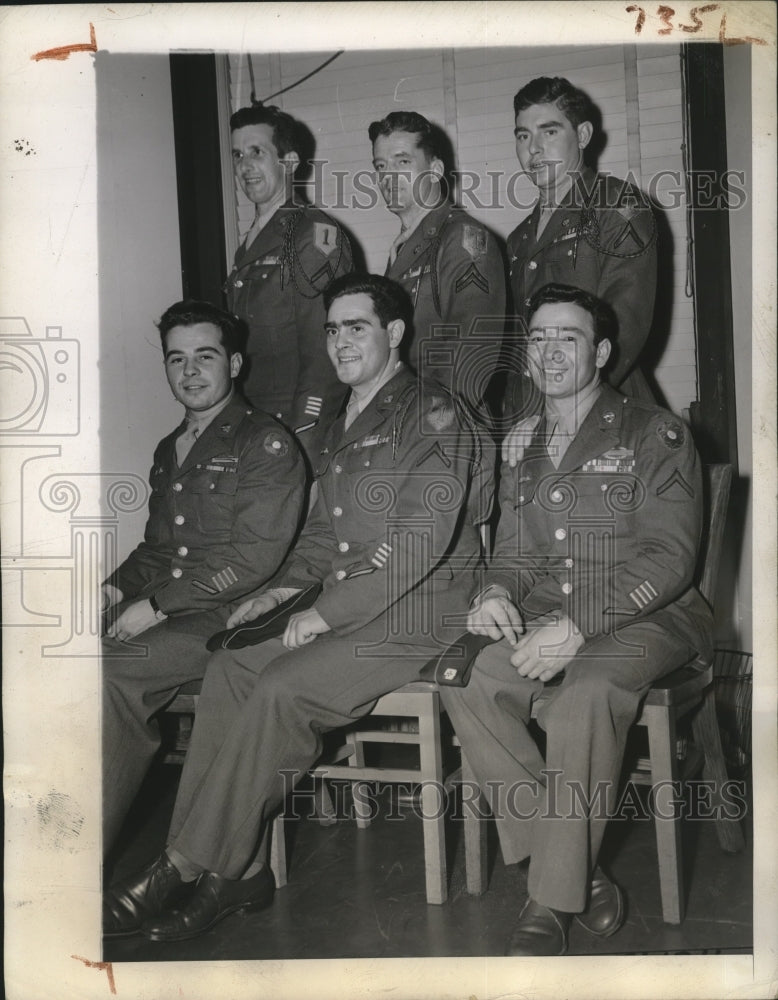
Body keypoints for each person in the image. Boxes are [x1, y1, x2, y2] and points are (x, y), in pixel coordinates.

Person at [102, 273, 493, 941]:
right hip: (362, 602)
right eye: (333, 329)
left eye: (357, 327)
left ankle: (184, 865)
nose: (341, 341)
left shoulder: (432, 412)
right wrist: (279, 591)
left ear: (395, 333)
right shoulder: (346, 420)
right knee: (232, 665)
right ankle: (239, 870)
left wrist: (326, 613)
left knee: (284, 687)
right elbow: (320, 536)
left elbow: (417, 542)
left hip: (424, 608)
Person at [440, 283, 712, 956]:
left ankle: (551, 899)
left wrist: (578, 626)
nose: (551, 351)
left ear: (603, 352)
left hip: (648, 613)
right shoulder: (524, 443)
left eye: (569, 337)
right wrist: (496, 592)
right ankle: (575, 867)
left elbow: (670, 558)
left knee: (585, 694)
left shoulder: (655, 432)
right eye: (538, 338)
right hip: (553, 610)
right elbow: (515, 554)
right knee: (464, 676)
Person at [101, 299, 306, 853]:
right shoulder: (171, 448)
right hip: (171, 605)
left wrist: (155, 607)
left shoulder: (264, 443)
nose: (190, 371)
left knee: (107, 673)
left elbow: (253, 559)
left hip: (227, 614)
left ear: (234, 364)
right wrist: (111, 589)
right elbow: (157, 548)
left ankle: (83, 854)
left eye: (205, 356)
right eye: (177, 359)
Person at [503, 76, 657, 464]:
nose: (533, 148)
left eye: (549, 131)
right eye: (523, 136)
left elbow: (624, 323)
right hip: (531, 422)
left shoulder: (616, 206)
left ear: (583, 135)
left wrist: (562, 414)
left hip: (602, 421)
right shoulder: (518, 239)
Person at [225, 104, 353, 466]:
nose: (245, 166)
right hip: (254, 430)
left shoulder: (313, 236)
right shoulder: (251, 243)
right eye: (237, 155)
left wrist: (303, 445)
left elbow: (327, 355)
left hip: (291, 434)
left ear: (290, 162)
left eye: (257, 152)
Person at [369, 110, 506, 417]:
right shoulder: (404, 247)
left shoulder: (464, 238)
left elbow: (473, 353)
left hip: (444, 425)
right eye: (381, 166)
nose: (388, 177)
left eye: (403, 162)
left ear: (435, 170)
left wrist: (433, 427)